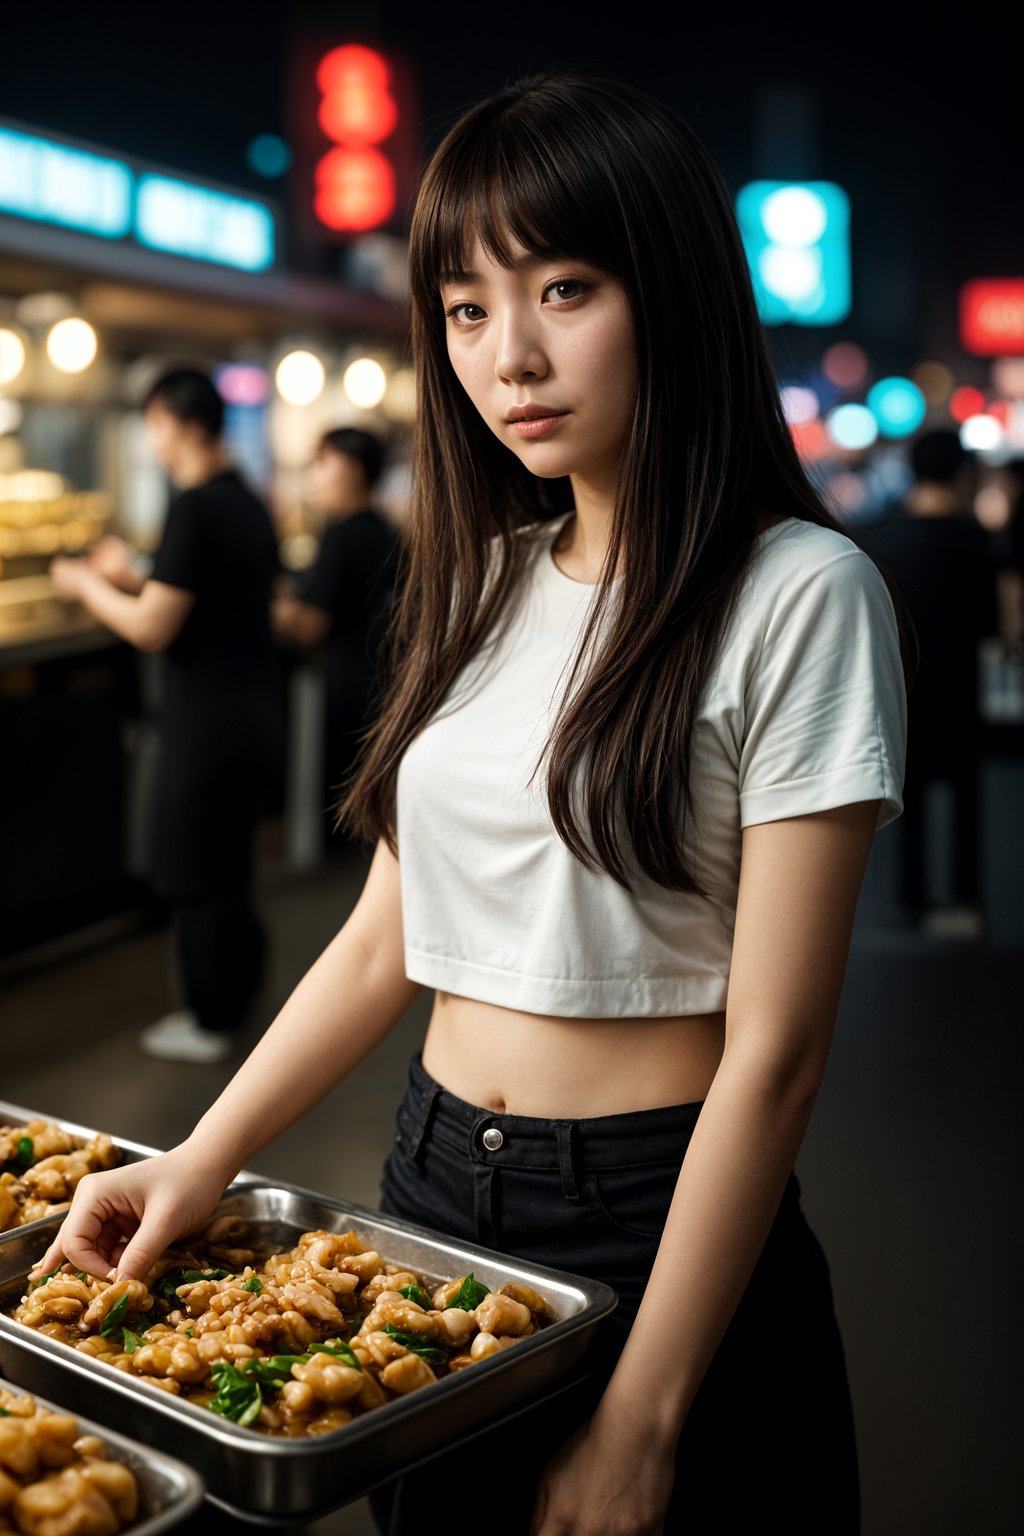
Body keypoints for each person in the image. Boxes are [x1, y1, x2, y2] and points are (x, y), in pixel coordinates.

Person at [33, 65, 914, 1534]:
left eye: (564, 289)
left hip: (659, 1215)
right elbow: (387, 935)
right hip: (431, 1191)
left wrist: (644, 1415)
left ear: (675, 295)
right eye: (464, 308)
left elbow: (780, 1049)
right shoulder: (488, 579)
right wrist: (197, 1156)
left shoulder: (801, 593)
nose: (509, 357)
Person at [49, 366, 285, 1064]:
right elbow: (199, 592)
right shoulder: (245, 498)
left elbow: (154, 626)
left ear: (179, 424)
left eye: (154, 425)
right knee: (229, 868)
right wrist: (132, 574)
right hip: (250, 714)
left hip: (205, 726)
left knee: (194, 871)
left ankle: (210, 1021)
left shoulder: (194, 505)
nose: (152, 440)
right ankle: (236, 1004)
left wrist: (88, 583)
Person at [863, 429, 998, 934]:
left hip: (900, 687)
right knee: (967, 795)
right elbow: (992, 621)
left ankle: (912, 898)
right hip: (962, 688)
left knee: (906, 791)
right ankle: (965, 897)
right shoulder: (976, 540)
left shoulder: (881, 535)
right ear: (962, 473)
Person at [271, 427, 403, 850]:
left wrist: (254, 606)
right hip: (383, 679)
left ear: (355, 469)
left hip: (349, 685)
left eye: (322, 462)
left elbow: (311, 625)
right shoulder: (383, 528)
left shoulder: (343, 534)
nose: (312, 475)